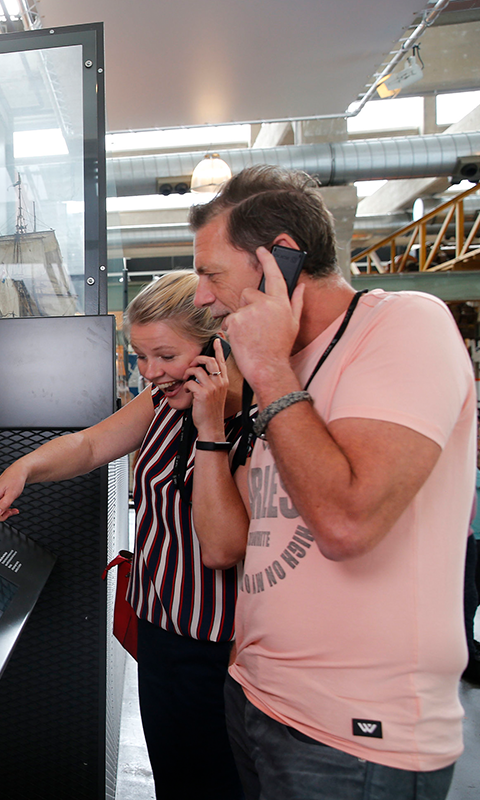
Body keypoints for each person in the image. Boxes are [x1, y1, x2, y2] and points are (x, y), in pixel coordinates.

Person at [189, 164, 476, 800]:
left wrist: (266, 370)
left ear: (280, 261)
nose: (202, 297)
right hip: (261, 701)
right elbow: (239, 537)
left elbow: (347, 521)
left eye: (212, 274)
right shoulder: (282, 369)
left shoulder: (404, 324)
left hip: (353, 738)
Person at [0, 270, 250, 800]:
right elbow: (92, 446)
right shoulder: (163, 401)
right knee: (174, 777)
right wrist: (24, 468)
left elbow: (223, 547)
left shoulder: (247, 419)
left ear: (218, 346)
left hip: (217, 648)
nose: (151, 372)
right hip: (158, 627)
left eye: (165, 355)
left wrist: (210, 426)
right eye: (139, 356)